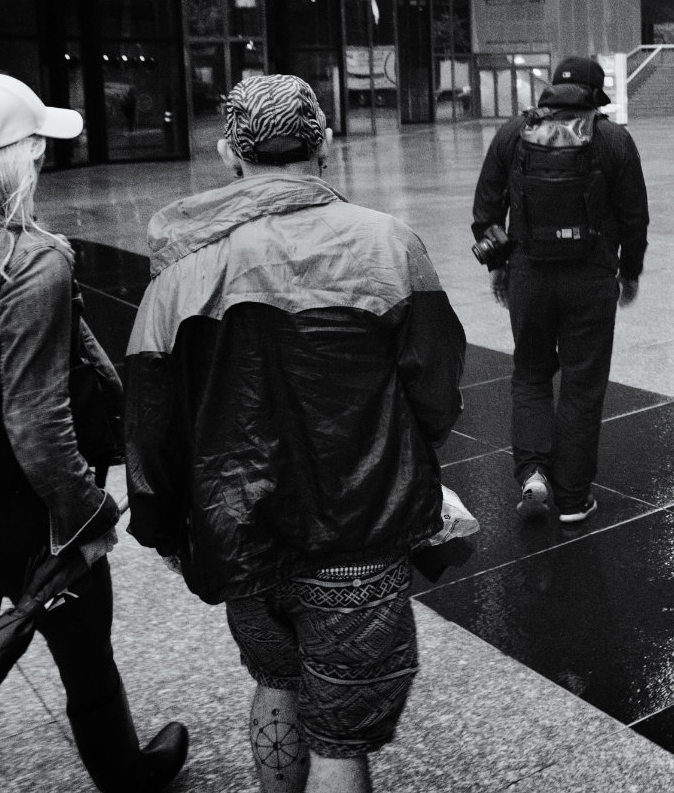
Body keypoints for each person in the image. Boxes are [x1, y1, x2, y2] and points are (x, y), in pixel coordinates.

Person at [125, 75, 465, 793]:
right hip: (359, 535)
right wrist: (411, 457)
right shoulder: (388, 245)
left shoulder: (181, 267)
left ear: (230, 154)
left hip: (240, 532)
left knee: (275, 677)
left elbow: (151, 418)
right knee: (340, 738)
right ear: (326, 145)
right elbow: (435, 390)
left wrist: (165, 525)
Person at [0, 73, 188, 793]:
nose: (42, 157)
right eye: (35, 145)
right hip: (22, 516)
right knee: (87, 666)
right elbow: (36, 421)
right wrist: (89, 515)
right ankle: (129, 777)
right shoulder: (32, 260)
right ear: (11, 158)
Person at [471, 56, 649, 524]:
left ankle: (533, 472)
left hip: (528, 275)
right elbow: (635, 218)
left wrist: (498, 268)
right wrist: (629, 274)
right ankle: (573, 498)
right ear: (596, 94)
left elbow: (486, 209)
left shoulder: (514, 133)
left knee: (530, 374)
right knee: (582, 385)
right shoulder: (612, 139)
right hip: (591, 279)